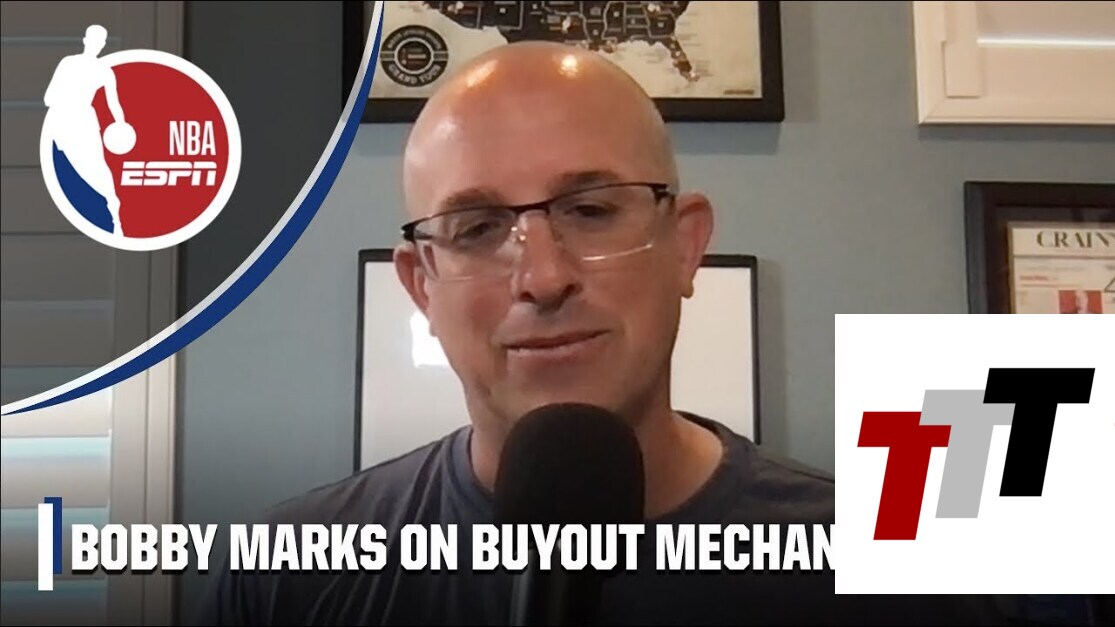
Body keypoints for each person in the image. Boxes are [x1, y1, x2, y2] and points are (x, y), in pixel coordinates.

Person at [194, 42, 998, 626]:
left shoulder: (901, 581)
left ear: (684, 245)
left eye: (589, 210)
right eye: (477, 228)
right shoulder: (287, 579)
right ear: (421, 286)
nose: (542, 277)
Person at [43, 24, 127, 233]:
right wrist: (121, 123)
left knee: (93, 166)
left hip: (76, 121)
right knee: (90, 167)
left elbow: (49, 98)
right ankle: (112, 211)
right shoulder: (92, 68)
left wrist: (121, 124)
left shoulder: (75, 64)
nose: (98, 44)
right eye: (97, 41)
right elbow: (48, 98)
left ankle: (113, 214)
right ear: (88, 41)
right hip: (75, 121)